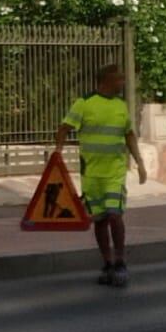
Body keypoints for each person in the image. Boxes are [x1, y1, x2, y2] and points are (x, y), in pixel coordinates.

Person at [55, 63, 147, 287]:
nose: (123, 83)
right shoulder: (84, 103)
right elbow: (64, 128)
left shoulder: (121, 106)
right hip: (92, 174)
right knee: (100, 220)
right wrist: (57, 155)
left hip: (115, 172)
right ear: (106, 80)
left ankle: (120, 261)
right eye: (119, 79)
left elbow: (129, 135)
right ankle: (107, 262)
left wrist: (139, 162)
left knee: (115, 215)